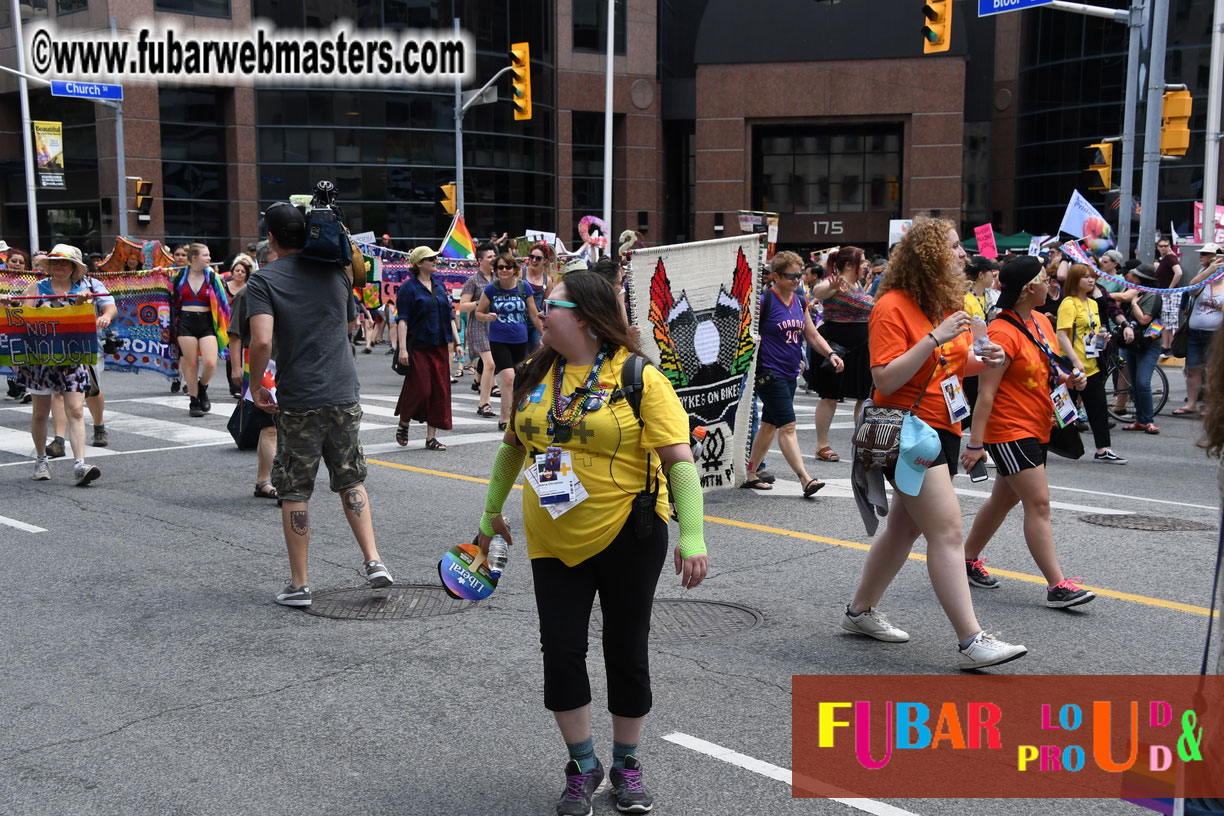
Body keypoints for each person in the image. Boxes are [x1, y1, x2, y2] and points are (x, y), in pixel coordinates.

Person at [474, 271, 708, 816]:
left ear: (581, 315)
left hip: (629, 531)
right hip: (551, 538)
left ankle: (627, 763)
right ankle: (582, 763)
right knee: (560, 652)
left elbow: (680, 463)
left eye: (549, 304)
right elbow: (513, 448)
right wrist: (488, 516)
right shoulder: (535, 373)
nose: (539, 311)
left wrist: (692, 535)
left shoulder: (638, 378)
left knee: (625, 651)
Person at [841, 216, 1027, 670]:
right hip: (907, 432)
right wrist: (932, 339)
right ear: (929, 256)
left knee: (905, 528)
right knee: (947, 531)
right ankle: (971, 640)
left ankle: (859, 612)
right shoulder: (892, 306)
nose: (963, 254)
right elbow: (885, 378)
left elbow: (951, 368)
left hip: (942, 428)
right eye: (953, 247)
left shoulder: (947, 304)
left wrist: (987, 359)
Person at [246, 201, 393, 607]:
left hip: (301, 396)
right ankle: (374, 560)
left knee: (295, 488)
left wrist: (256, 385)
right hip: (344, 391)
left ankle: (300, 585)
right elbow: (349, 324)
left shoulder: (265, 280)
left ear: (272, 238)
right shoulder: (335, 272)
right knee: (351, 477)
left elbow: (261, 340)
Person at [960, 256, 1096, 608]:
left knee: (1005, 499)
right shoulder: (1002, 333)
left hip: (1037, 424)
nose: (1050, 282)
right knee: (1039, 503)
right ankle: (1057, 585)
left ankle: (966, 559)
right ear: (1027, 290)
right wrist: (975, 444)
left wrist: (1070, 378)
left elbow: (1047, 368)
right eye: (1043, 278)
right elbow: (985, 395)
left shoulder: (1039, 321)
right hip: (1009, 430)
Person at [4, 245, 107, 485]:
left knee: (76, 410)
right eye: (55, 262)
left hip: (72, 359)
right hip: (41, 360)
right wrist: (9, 304)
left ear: (73, 267)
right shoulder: (36, 289)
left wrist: (84, 303)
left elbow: (90, 320)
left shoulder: (84, 291)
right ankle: (41, 459)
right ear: (49, 266)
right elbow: (21, 318)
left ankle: (80, 464)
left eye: (64, 262)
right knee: (40, 412)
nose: (59, 265)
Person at [744, 250, 844, 494]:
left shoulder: (799, 300)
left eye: (799, 275)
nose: (797, 280)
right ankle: (805, 478)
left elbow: (811, 334)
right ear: (775, 276)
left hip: (791, 372)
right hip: (769, 372)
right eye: (791, 276)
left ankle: (750, 472)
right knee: (787, 427)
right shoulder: (764, 302)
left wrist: (830, 353)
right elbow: (745, 333)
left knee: (769, 424)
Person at [1056, 263, 1125, 463]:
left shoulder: (1093, 303)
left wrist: (1102, 339)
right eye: (1085, 277)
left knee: (1098, 407)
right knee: (1063, 408)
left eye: (1093, 276)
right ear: (1075, 280)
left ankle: (1103, 449)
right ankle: (1050, 441)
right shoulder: (1068, 303)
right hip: (1071, 366)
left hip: (1092, 365)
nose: (1091, 280)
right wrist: (1076, 362)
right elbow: (1062, 335)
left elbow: (1092, 331)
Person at [812, 246, 873, 462]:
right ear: (849, 264)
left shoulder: (858, 285)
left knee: (863, 397)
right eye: (863, 261)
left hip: (861, 348)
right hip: (835, 346)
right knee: (829, 397)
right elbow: (817, 292)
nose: (866, 265)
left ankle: (862, 443)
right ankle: (822, 445)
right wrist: (829, 287)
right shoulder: (835, 282)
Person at [226, 258, 279, 501]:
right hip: (261, 365)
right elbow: (235, 334)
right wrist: (236, 367)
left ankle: (265, 480)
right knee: (269, 426)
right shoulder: (248, 293)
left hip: (290, 364)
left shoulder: (288, 287)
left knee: (282, 427)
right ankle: (269, 481)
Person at [393, 246, 455, 450]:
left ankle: (431, 438)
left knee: (439, 390)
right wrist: (402, 349)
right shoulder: (408, 288)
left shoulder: (440, 286)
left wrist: (457, 342)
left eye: (435, 258)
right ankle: (404, 421)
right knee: (421, 388)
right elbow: (402, 320)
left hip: (439, 345)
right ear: (419, 263)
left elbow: (449, 316)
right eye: (430, 259)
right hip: (418, 346)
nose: (435, 261)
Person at [475, 251, 544, 431]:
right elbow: (478, 312)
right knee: (508, 377)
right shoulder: (491, 289)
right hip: (499, 340)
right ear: (496, 270)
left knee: (518, 379)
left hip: (520, 339)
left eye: (508, 267)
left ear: (514, 269)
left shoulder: (524, 287)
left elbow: (533, 313)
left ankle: (516, 413)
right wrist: (487, 317)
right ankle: (505, 419)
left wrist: (544, 335)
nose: (504, 270)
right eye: (500, 267)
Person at [170, 243, 229, 418]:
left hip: (207, 322)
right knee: (191, 362)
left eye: (209, 255)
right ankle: (194, 400)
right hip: (186, 321)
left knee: (211, 363)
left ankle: (202, 387)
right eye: (205, 255)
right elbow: (169, 297)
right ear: (194, 257)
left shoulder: (212, 276)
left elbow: (223, 303)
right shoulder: (179, 275)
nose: (209, 258)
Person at [1173, 244, 1224, 417]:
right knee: (1193, 369)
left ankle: (1211, 406)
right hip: (1195, 333)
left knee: (1213, 372)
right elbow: (1191, 287)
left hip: (1217, 336)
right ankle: (1192, 404)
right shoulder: (1202, 281)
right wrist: (1208, 271)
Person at [1115, 263, 1163, 433]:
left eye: (1134, 276)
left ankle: (1148, 420)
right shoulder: (1139, 292)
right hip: (1133, 344)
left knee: (1143, 382)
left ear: (1141, 279)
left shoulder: (1153, 296)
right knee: (1135, 384)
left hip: (1148, 345)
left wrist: (1134, 304)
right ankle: (1140, 420)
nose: (1131, 277)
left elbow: (1144, 320)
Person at [459, 243, 498, 417]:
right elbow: (462, 306)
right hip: (478, 326)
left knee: (492, 363)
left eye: (494, 256)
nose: (493, 259)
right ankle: (484, 403)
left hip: (497, 325)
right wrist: (480, 303)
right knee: (490, 364)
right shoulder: (473, 281)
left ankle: (478, 381)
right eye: (489, 257)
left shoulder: (499, 277)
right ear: (480, 260)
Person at [223, 254, 253, 397]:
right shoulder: (223, 287)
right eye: (237, 270)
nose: (240, 273)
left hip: (244, 326)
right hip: (227, 325)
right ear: (232, 272)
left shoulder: (250, 290)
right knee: (232, 355)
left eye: (243, 271)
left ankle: (242, 385)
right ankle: (234, 386)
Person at [1155, 237, 1184, 357]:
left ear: (1169, 246)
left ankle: (1171, 347)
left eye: (1165, 246)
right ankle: (1165, 346)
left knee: (1171, 321)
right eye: (1161, 246)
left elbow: (1179, 272)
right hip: (1165, 293)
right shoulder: (1165, 259)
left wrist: (1170, 288)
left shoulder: (1170, 258)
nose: (1163, 248)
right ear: (1157, 247)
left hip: (1171, 294)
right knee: (1165, 320)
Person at [524, 242, 555, 350]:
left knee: (537, 352)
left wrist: (546, 331)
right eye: (531, 257)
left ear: (545, 260)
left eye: (538, 258)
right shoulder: (520, 273)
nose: (533, 260)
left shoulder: (548, 280)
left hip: (536, 324)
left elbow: (546, 306)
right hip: (520, 321)